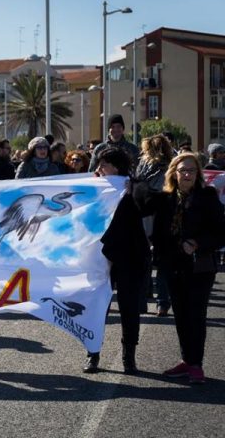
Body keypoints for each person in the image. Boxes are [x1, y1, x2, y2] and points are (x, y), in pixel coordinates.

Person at [136, 153, 225, 384]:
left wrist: (197, 243)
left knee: (196, 315)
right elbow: (141, 203)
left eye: (191, 170)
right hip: (173, 265)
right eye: (182, 170)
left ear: (198, 174)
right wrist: (124, 182)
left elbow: (220, 233)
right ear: (174, 173)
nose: (187, 174)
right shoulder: (165, 198)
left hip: (200, 267)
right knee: (182, 315)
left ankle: (196, 365)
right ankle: (187, 360)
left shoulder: (207, 196)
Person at [83, 148, 149, 375]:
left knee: (129, 307)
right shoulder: (95, 187)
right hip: (101, 256)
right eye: (99, 164)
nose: (99, 169)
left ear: (117, 167)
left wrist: (134, 191)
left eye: (104, 165)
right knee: (97, 307)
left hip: (130, 255)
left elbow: (147, 207)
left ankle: (129, 356)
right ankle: (93, 353)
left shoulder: (135, 186)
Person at [136, 134, 175, 317]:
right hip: (164, 214)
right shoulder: (171, 165)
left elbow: (137, 186)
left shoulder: (143, 164)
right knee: (163, 261)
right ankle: (162, 303)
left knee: (143, 259)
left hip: (144, 212)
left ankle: (143, 300)